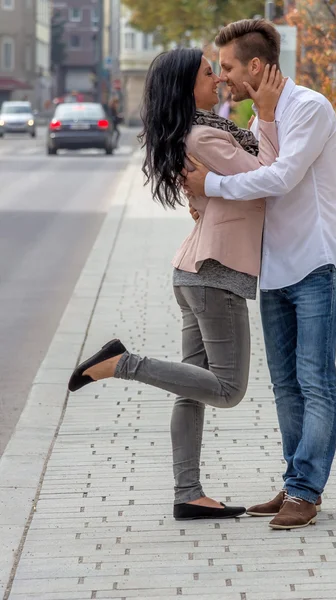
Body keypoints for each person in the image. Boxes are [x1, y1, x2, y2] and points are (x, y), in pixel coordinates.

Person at [68, 48, 285, 521]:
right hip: (214, 275)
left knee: (193, 389)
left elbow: (232, 190)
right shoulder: (205, 135)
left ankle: (188, 492)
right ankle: (123, 363)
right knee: (228, 389)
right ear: (189, 85)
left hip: (196, 273)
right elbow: (268, 178)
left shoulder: (201, 131)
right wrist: (266, 117)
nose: (218, 80)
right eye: (210, 74)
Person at [184, 19, 336, 530]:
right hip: (275, 267)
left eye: (229, 67)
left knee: (315, 381)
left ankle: (306, 490)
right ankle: (294, 481)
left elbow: (278, 179)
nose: (225, 78)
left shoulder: (310, 108)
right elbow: (254, 171)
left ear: (256, 66)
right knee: (285, 385)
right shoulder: (262, 120)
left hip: (316, 262)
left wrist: (210, 184)